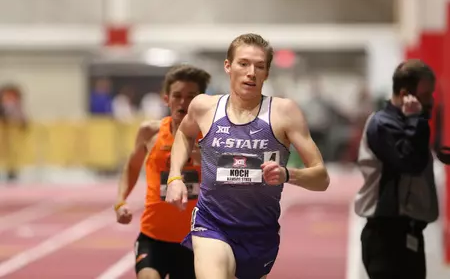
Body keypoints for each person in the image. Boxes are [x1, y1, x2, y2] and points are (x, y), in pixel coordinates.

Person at [165, 33, 330, 279]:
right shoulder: (204, 106)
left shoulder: (284, 112)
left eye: (259, 66)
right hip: (212, 223)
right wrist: (174, 177)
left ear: (267, 73)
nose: (251, 72)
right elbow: (184, 135)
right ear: (228, 66)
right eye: (243, 64)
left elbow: (321, 178)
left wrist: (287, 174)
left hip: (259, 233)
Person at [114, 64, 211, 279]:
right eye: (177, 96)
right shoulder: (150, 132)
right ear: (166, 98)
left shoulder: (211, 137)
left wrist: (204, 159)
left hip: (195, 240)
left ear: (201, 100)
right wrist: (121, 201)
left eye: (191, 96)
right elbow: (131, 166)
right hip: (153, 237)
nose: (183, 103)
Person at [354, 59, 439, 279]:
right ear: (405, 95)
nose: (431, 101)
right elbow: (410, 162)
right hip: (386, 237)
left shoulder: (409, 123)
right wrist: (415, 120)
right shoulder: (383, 124)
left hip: (407, 233)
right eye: (426, 94)